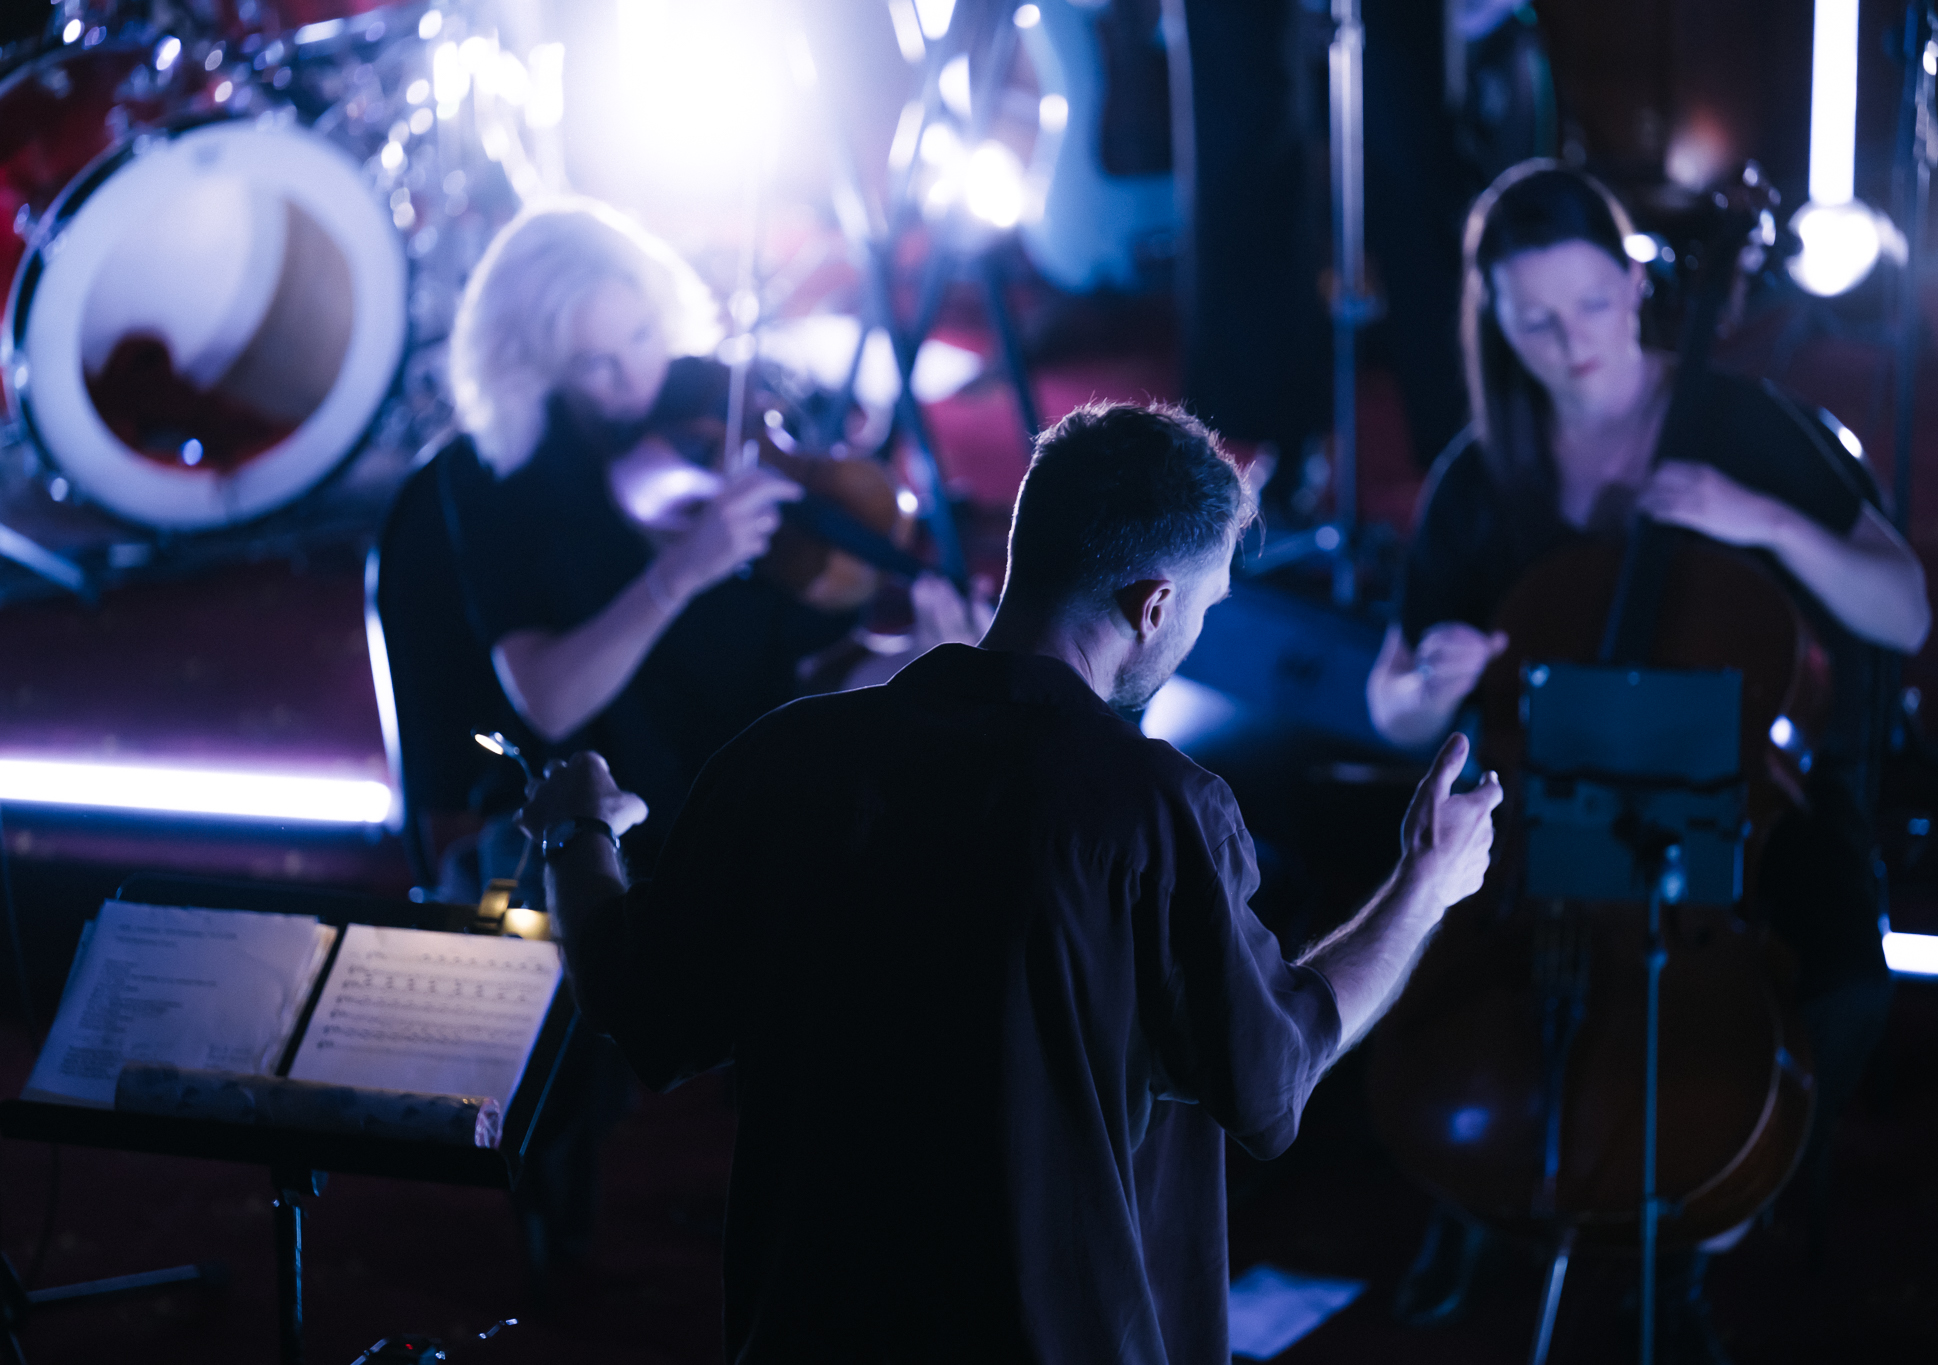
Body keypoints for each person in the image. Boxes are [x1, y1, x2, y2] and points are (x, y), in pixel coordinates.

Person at [521, 401, 1502, 1362]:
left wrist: (577, 831)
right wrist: (1424, 883)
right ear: (1154, 606)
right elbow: (1269, 1075)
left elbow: (636, 1001)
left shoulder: (784, 756)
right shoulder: (1156, 809)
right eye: (1204, 607)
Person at [1365, 161, 1930, 1355]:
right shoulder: (1482, 471)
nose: (1567, 342)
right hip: (1539, 808)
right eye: (1531, 319)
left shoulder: (1739, 425)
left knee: (1842, 980)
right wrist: (1423, 688)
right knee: (1422, 964)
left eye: (1587, 304)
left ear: (1632, 286)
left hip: (1732, 797)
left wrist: (1759, 518)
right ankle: (1476, 1200)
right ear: (1492, 321)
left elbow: (1903, 610)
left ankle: (1697, 1231)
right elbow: (1393, 708)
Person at [439, 199, 983, 1281]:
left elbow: (810, 684)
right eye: (593, 363)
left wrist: (920, 658)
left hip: (745, 779)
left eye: (642, 335)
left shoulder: (719, 414)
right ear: (531, 366)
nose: (633, 380)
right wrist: (680, 572)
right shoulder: (496, 476)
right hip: (584, 799)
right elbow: (548, 696)